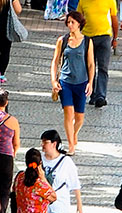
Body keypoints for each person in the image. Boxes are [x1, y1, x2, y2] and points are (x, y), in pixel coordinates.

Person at [50, 13, 95, 156]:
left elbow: (91, 64)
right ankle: (70, 145)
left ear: (79, 24)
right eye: (68, 22)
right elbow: (55, 61)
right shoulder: (62, 40)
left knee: (79, 117)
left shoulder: (87, 42)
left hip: (81, 83)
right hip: (65, 82)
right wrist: (54, 80)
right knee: (68, 114)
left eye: (73, 22)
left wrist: (91, 82)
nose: (70, 25)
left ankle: (74, 134)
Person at [78, 0, 117, 108]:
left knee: (103, 67)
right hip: (88, 38)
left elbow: (114, 19)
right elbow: (78, 19)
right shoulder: (83, 1)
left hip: (104, 37)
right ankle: (93, 95)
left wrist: (115, 38)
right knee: (89, 67)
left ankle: (101, 96)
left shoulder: (110, 1)